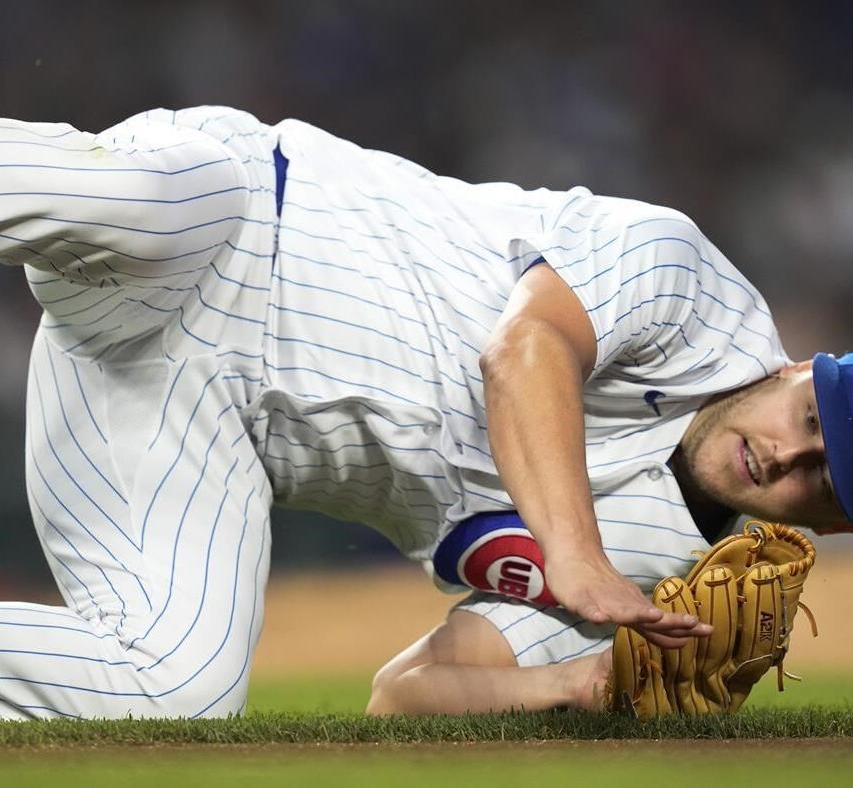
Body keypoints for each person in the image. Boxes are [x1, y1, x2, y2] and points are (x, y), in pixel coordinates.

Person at [0, 106, 849, 720]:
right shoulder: (689, 283)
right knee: (143, 204)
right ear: (798, 369)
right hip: (234, 229)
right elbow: (523, 351)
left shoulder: (667, 577)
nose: (785, 459)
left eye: (826, 480)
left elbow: (404, 694)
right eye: (810, 421)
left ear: (837, 526)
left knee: (173, 692)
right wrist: (575, 554)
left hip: (191, 427)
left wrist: (582, 682)